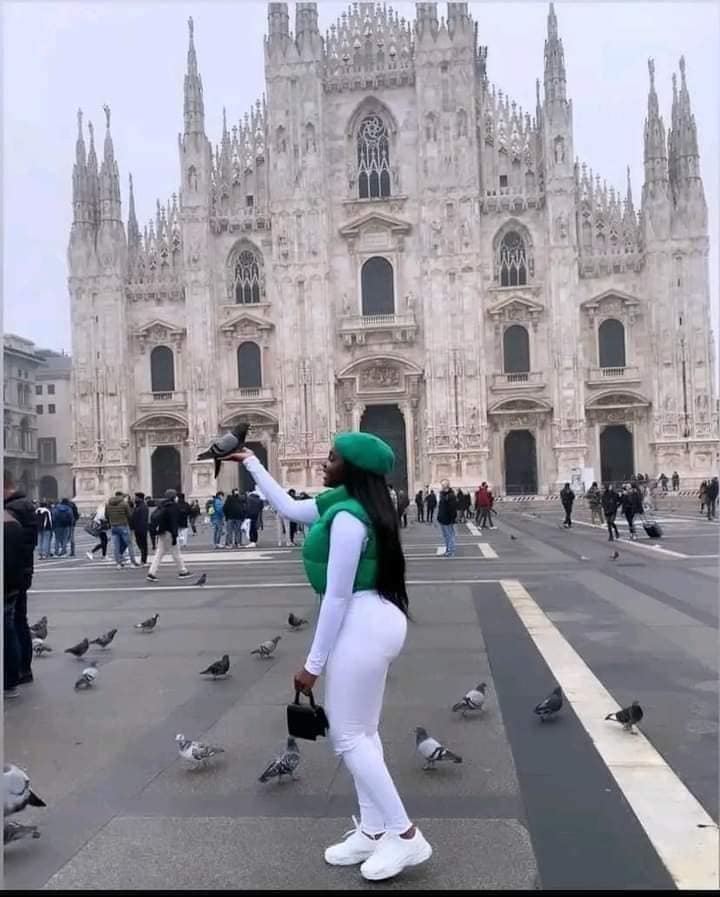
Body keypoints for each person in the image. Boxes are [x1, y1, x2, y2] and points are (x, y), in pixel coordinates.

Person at [228, 433, 432, 882]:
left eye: (333, 458)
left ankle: (406, 834)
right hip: (377, 618)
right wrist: (251, 462)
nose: (325, 462)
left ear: (352, 468)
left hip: (361, 622)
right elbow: (289, 507)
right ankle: (373, 831)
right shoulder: (351, 505)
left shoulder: (348, 519)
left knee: (348, 738)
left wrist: (312, 666)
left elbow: (336, 598)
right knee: (364, 733)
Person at [4, 470, 37, 689]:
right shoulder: (26, 506)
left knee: (11, 623)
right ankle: (24, 669)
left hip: (12, 573)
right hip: (23, 571)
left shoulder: (11, 511)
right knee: (20, 621)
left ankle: (14, 672)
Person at [146, 489, 191, 582]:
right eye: (176, 496)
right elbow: (173, 523)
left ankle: (151, 573)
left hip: (161, 532)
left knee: (159, 553)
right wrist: (174, 536)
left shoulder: (161, 505)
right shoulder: (173, 506)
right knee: (176, 553)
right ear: (173, 497)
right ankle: (183, 571)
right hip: (169, 533)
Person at [4, 508, 25, 698]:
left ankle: (9, 680)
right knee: (9, 631)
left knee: (7, 632)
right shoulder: (13, 522)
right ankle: (11, 681)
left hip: (6, 586)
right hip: (12, 586)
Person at [105, 491, 141, 569]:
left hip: (113, 526)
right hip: (123, 525)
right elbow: (129, 515)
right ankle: (133, 563)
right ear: (121, 496)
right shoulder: (124, 504)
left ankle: (118, 564)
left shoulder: (108, 504)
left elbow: (106, 516)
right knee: (129, 544)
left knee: (116, 546)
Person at [437, 479, 458, 558]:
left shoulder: (450, 495)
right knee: (446, 536)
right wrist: (439, 517)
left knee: (450, 535)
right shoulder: (443, 495)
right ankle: (448, 550)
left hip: (448, 519)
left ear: (446, 486)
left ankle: (450, 551)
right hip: (442, 518)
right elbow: (441, 507)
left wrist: (452, 519)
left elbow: (453, 508)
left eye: (442, 485)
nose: (441, 487)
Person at [130, 492, 150, 565]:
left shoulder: (143, 507)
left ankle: (143, 560)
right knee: (139, 543)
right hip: (137, 528)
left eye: (136, 497)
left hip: (141, 528)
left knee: (143, 544)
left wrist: (140, 528)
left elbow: (143, 519)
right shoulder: (138, 506)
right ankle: (143, 559)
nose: (134, 499)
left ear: (139, 498)